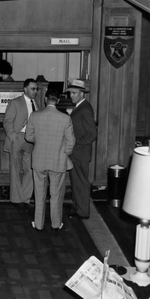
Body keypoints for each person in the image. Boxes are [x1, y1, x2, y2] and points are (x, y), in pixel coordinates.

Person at [25, 92, 75, 231]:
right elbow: (71, 142)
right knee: (56, 194)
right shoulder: (65, 118)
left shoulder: (35, 116)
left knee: (39, 194)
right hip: (57, 161)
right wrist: (63, 153)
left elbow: (29, 137)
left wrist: (40, 142)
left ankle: (39, 224)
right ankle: (56, 224)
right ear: (57, 100)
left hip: (39, 160)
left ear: (45, 99)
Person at [2, 79, 40, 209]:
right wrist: (13, 137)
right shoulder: (15, 102)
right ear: (25, 89)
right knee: (16, 169)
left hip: (31, 140)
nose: (35, 91)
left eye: (36, 89)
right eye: (32, 89)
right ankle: (16, 199)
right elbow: (7, 122)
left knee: (30, 169)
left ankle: (25, 198)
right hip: (18, 138)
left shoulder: (37, 103)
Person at [67, 79, 97, 220]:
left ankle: (83, 212)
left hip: (80, 153)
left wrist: (75, 143)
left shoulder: (85, 109)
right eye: (70, 93)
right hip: (78, 153)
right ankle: (78, 208)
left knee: (81, 183)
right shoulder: (80, 107)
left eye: (73, 93)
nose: (71, 96)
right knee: (77, 182)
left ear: (81, 93)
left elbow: (92, 134)